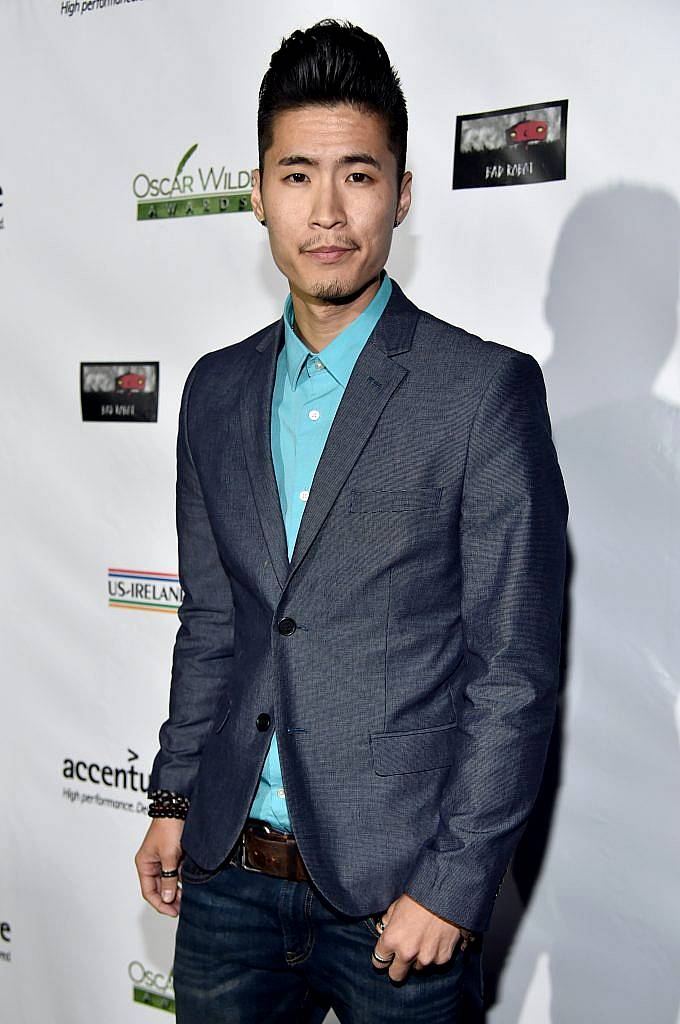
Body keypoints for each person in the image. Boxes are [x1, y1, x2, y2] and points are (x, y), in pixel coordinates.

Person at [134, 18, 569, 1023]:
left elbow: (513, 669)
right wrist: (169, 798)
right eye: (295, 175)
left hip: (398, 893)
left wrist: (453, 886)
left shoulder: (479, 393)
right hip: (227, 873)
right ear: (254, 192)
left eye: (357, 175)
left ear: (402, 192)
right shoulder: (212, 391)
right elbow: (212, 626)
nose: (326, 211)